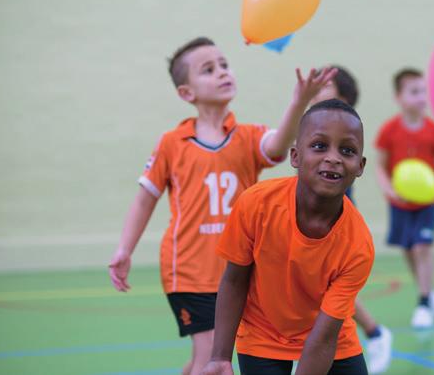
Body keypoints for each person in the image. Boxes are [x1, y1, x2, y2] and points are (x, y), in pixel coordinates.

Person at [108, 36, 336, 375]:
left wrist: (298, 102)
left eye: (225, 65)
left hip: (239, 273)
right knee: (212, 355)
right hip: (189, 272)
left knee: (204, 357)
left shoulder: (246, 136)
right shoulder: (172, 143)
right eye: (209, 69)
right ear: (187, 93)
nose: (222, 73)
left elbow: (277, 146)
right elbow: (145, 199)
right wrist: (125, 249)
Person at [203, 99, 374, 375]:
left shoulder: (358, 244)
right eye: (319, 146)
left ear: (360, 166)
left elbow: (324, 337)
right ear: (295, 156)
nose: (333, 157)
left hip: (329, 336)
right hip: (262, 333)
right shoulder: (255, 205)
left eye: (348, 150)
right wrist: (220, 357)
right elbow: (234, 280)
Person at [310, 66, 392, 373]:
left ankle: (374, 333)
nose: (317, 90)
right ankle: (373, 333)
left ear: (343, 97)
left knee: (328, 286)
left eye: (325, 87)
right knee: (321, 287)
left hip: (336, 208)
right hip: (318, 208)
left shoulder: (342, 129)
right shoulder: (316, 124)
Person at [375, 68, 434, 329]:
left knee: (423, 247)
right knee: (409, 250)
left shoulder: (433, 131)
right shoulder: (389, 131)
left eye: (423, 91)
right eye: (414, 92)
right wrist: (387, 189)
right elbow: (380, 165)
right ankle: (431, 295)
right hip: (400, 203)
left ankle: (422, 303)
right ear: (399, 97)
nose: (422, 97)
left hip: (427, 203)